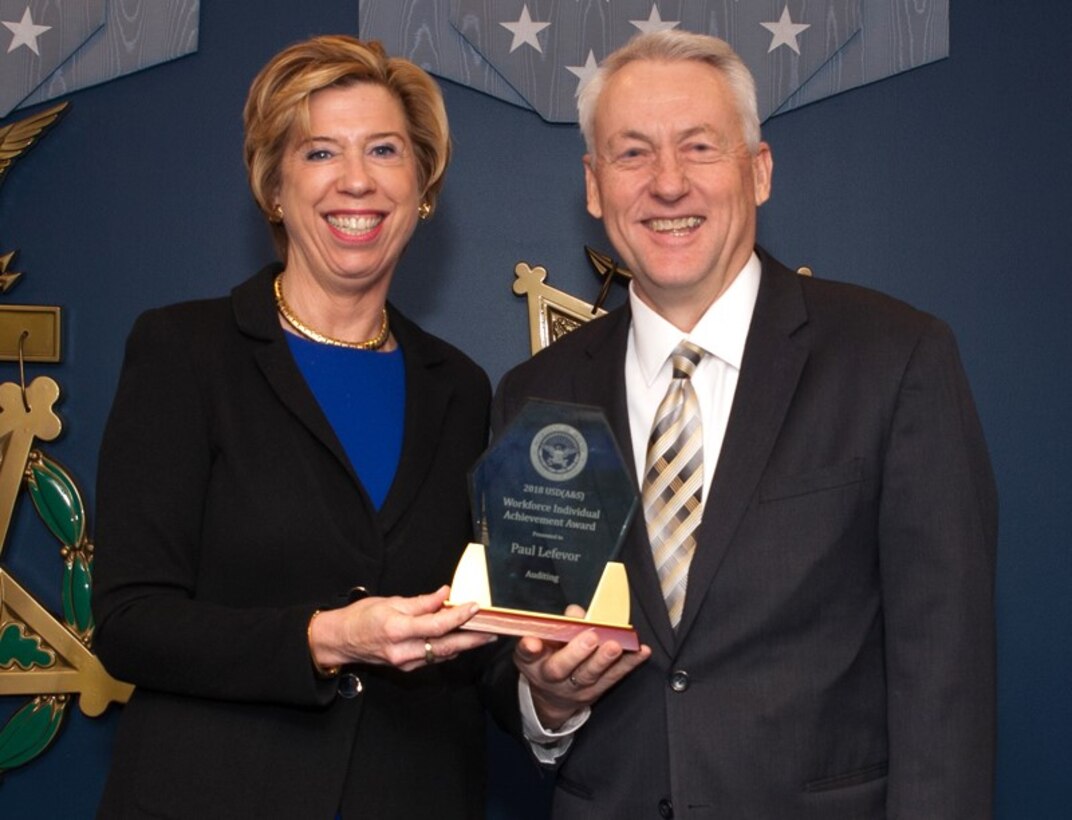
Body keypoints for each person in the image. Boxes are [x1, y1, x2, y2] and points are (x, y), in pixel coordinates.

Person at [496, 30, 997, 818]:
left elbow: (947, 676)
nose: (668, 184)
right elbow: (518, 647)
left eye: (699, 147)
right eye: (632, 155)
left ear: (758, 171)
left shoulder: (895, 361)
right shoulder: (535, 395)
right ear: (594, 187)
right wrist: (546, 704)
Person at [92, 36, 498, 819]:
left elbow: (470, 643)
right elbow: (130, 622)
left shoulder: (462, 390)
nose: (356, 180)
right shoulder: (185, 351)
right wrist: (326, 638)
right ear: (275, 187)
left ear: (423, 187)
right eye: (319, 152)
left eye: (384, 149)